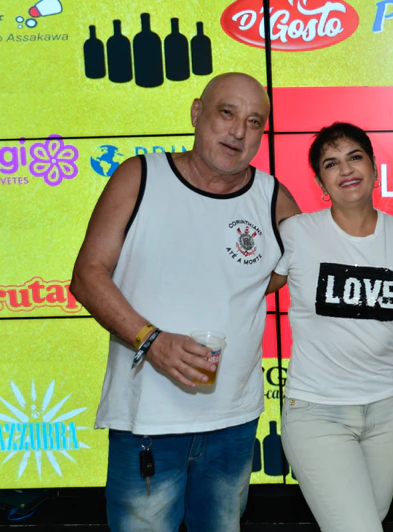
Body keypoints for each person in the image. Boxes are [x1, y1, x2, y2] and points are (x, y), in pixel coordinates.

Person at [71, 72, 300, 532]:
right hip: (148, 423)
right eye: (227, 113)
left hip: (234, 422)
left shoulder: (272, 197)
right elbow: (87, 277)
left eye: (254, 122)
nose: (238, 131)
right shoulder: (140, 175)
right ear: (197, 112)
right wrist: (151, 340)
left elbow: (307, 268)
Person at [266, 122, 393, 531]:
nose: (345, 169)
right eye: (331, 163)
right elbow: (245, 289)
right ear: (320, 182)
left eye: (355, 157)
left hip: (389, 411)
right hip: (317, 413)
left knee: (366, 520)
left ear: (374, 167)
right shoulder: (297, 234)